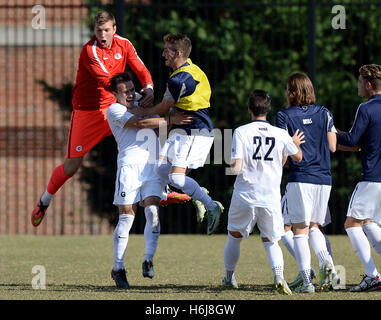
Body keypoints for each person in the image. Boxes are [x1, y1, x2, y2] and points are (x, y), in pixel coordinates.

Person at [31, 11, 186, 227]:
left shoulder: (124, 44)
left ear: (114, 29)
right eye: (98, 30)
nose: (102, 35)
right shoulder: (90, 51)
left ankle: (163, 187)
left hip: (116, 103)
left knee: (154, 122)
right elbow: (111, 82)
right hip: (89, 112)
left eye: (106, 30)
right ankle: (44, 201)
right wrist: (136, 96)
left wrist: (148, 88)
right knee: (71, 167)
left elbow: (140, 68)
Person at [130, 33, 223, 235]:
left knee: (177, 179)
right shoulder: (189, 68)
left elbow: (163, 108)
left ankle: (211, 205)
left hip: (195, 132)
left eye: (167, 50)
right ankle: (198, 195)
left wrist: (138, 110)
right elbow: (172, 110)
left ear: (178, 53)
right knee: (161, 171)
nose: (163, 53)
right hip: (184, 131)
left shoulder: (179, 79)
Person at [107, 72, 192, 288]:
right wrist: (169, 118)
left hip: (152, 166)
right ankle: (118, 268)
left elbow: (157, 117)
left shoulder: (140, 101)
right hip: (129, 168)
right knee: (127, 216)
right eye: (124, 91)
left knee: (152, 211)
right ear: (115, 94)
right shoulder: (114, 110)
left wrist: (160, 101)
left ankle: (148, 259)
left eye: (131, 89)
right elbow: (139, 123)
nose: (130, 94)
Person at [222, 90, 304, 295]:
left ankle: (229, 277)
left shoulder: (241, 131)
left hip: (245, 194)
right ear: (268, 110)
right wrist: (291, 145)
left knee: (234, 236)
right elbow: (299, 157)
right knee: (271, 240)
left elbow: (237, 167)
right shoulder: (280, 133)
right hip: (270, 197)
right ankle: (279, 277)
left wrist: (228, 165)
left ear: (249, 109)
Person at [275, 73, 337, 293]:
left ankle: (307, 282)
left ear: (291, 91)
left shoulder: (283, 116)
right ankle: (327, 264)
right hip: (324, 178)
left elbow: (288, 156)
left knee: (299, 230)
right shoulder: (325, 113)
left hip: (301, 178)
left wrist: (292, 146)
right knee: (314, 227)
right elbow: (332, 147)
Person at [337, 64, 381, 292]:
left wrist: (330, 132)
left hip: (372, 178)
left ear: (369, 85)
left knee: (352, 224)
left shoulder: (366, 108)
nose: (357, 85)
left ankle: (373, 277)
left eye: (359, 81)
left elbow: (352, 139)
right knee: (370, 223)